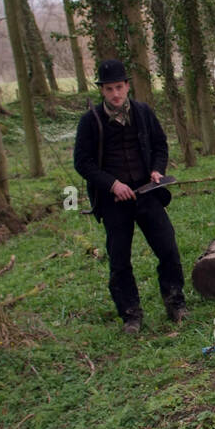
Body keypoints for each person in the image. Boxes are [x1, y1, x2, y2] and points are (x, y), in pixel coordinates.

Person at [73, 58, 187, 332]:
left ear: (127, 86)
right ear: (101, 90)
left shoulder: (143, 112)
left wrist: (157, 171)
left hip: (147, 195)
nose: (115, 94)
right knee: (120, 260)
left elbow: (160, 145)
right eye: (109, 88)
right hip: (113, 202)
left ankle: (175, 303)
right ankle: (130, 314)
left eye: (120, 87)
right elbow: (82, 162)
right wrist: (112, 184)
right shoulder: (90, 122)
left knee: (168, 250)